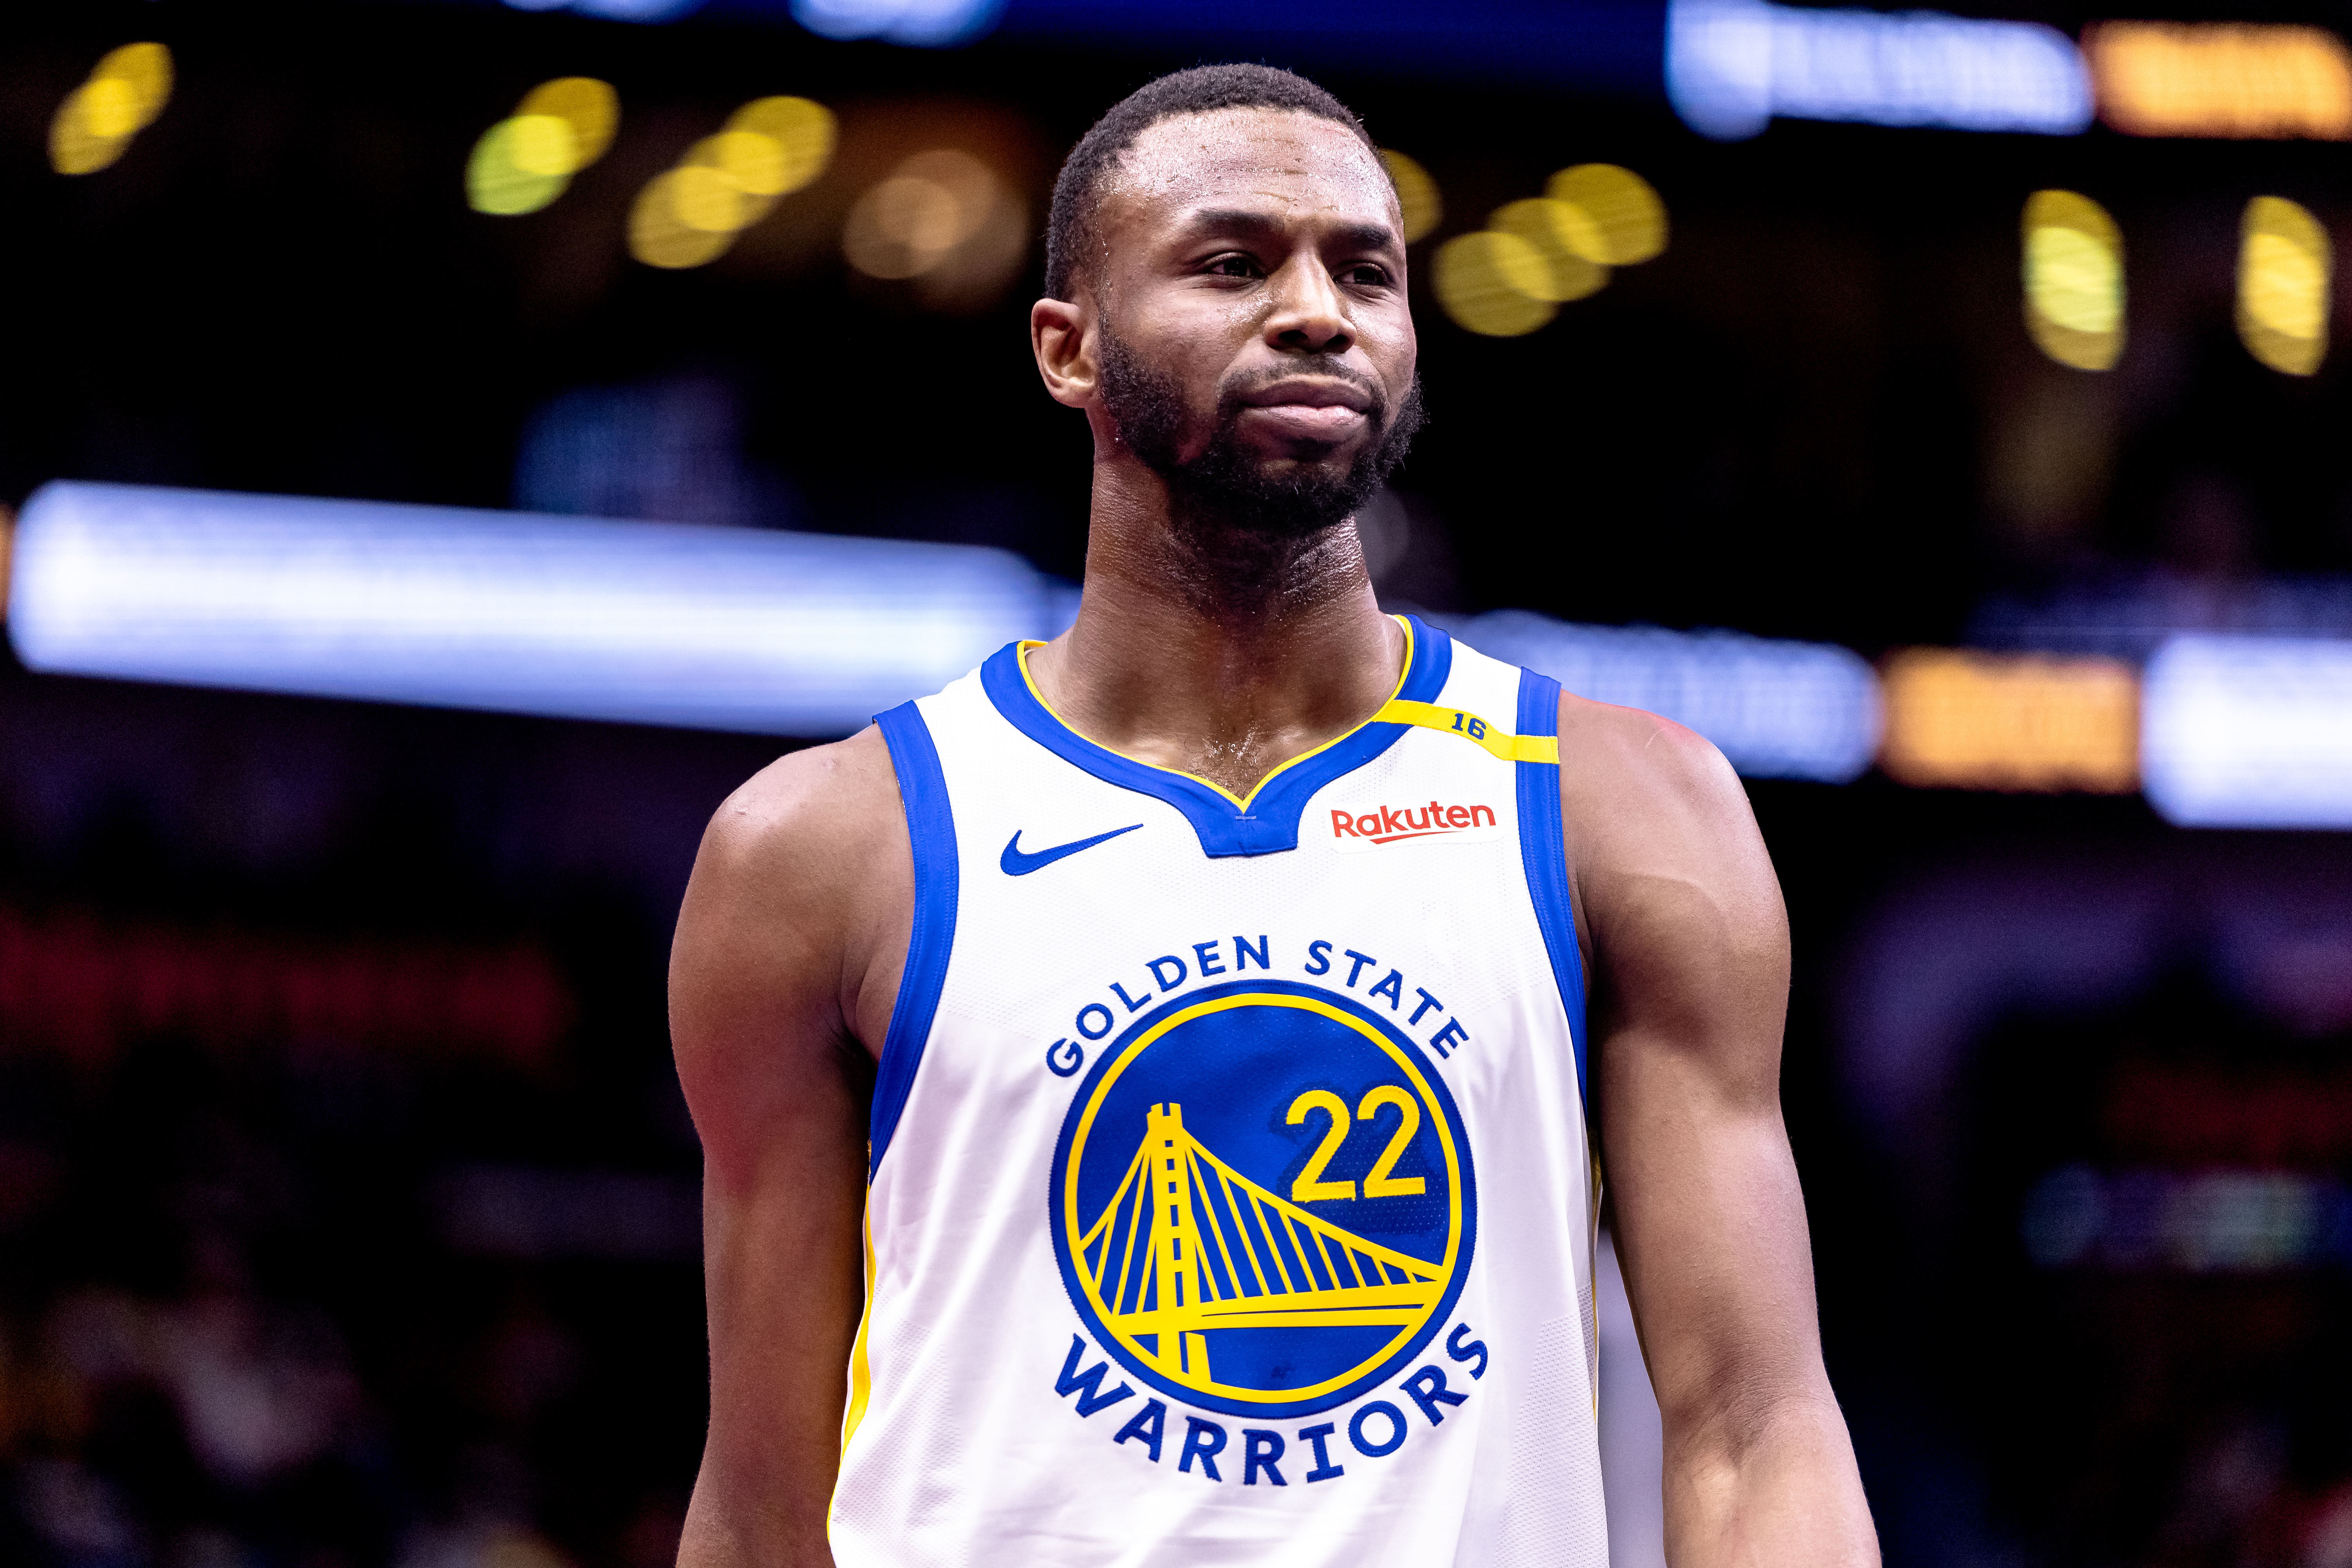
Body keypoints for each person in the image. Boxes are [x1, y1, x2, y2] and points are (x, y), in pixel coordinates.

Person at [668, 63, 1878, 1568]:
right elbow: (762, 1504)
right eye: (1235, 263)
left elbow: (1757, 1432)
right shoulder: (824, 852)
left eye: (1364, 270)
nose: (1319, 310)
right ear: (1070, 351)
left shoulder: (1623, 805)